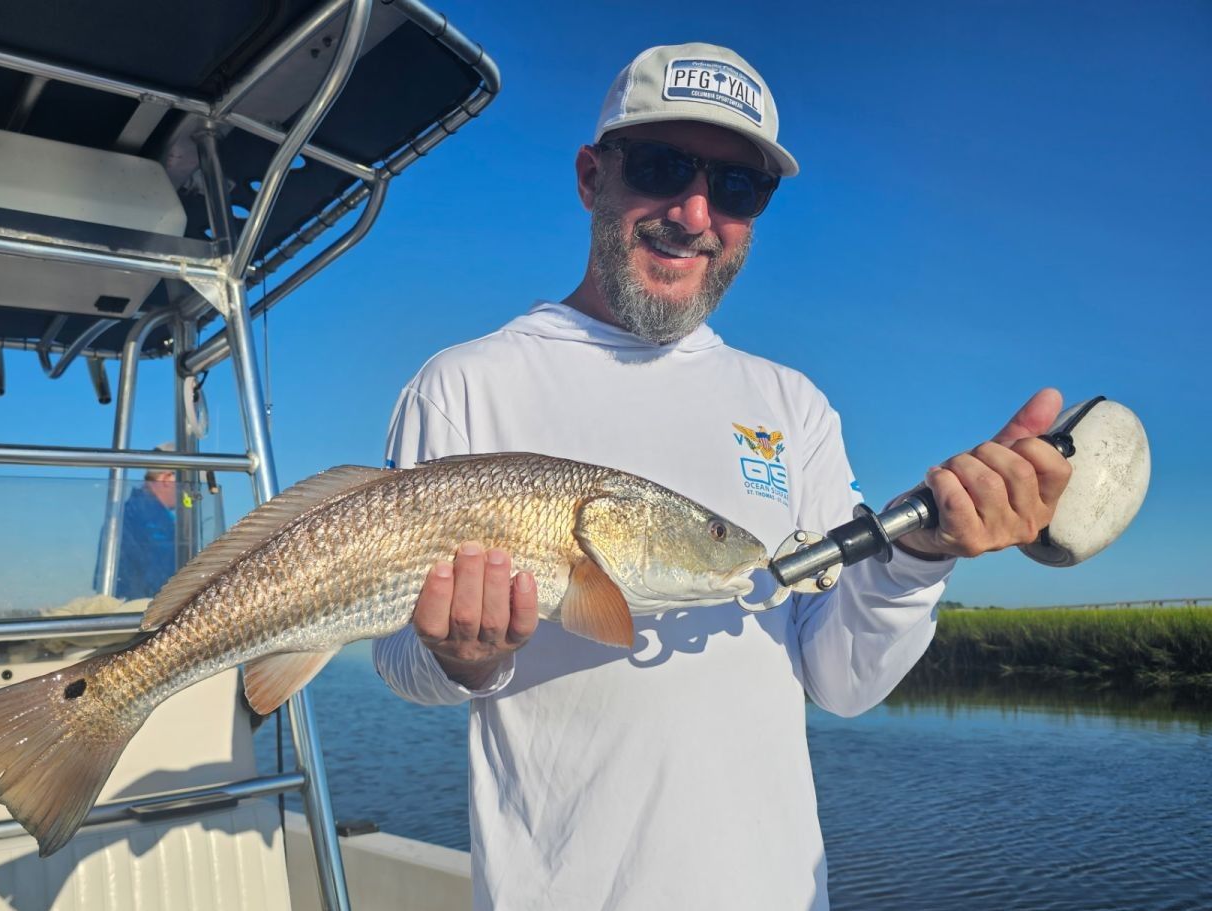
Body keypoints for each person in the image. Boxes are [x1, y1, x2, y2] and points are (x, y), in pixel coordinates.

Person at [373, 43, 1071, 910]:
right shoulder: (465, 384)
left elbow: (843, 679)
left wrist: (924, 555)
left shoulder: (793, 404)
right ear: (593, 176)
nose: (695, 212)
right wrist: (462, 660)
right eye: (662, 168)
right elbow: (400, 660)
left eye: (738, 188)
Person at [111, 467, 177, 600]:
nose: (187, 493)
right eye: (186, 483)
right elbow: (164, 577)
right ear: (166, 479)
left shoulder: (132, 508)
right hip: (145, 607)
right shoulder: (152, 518)